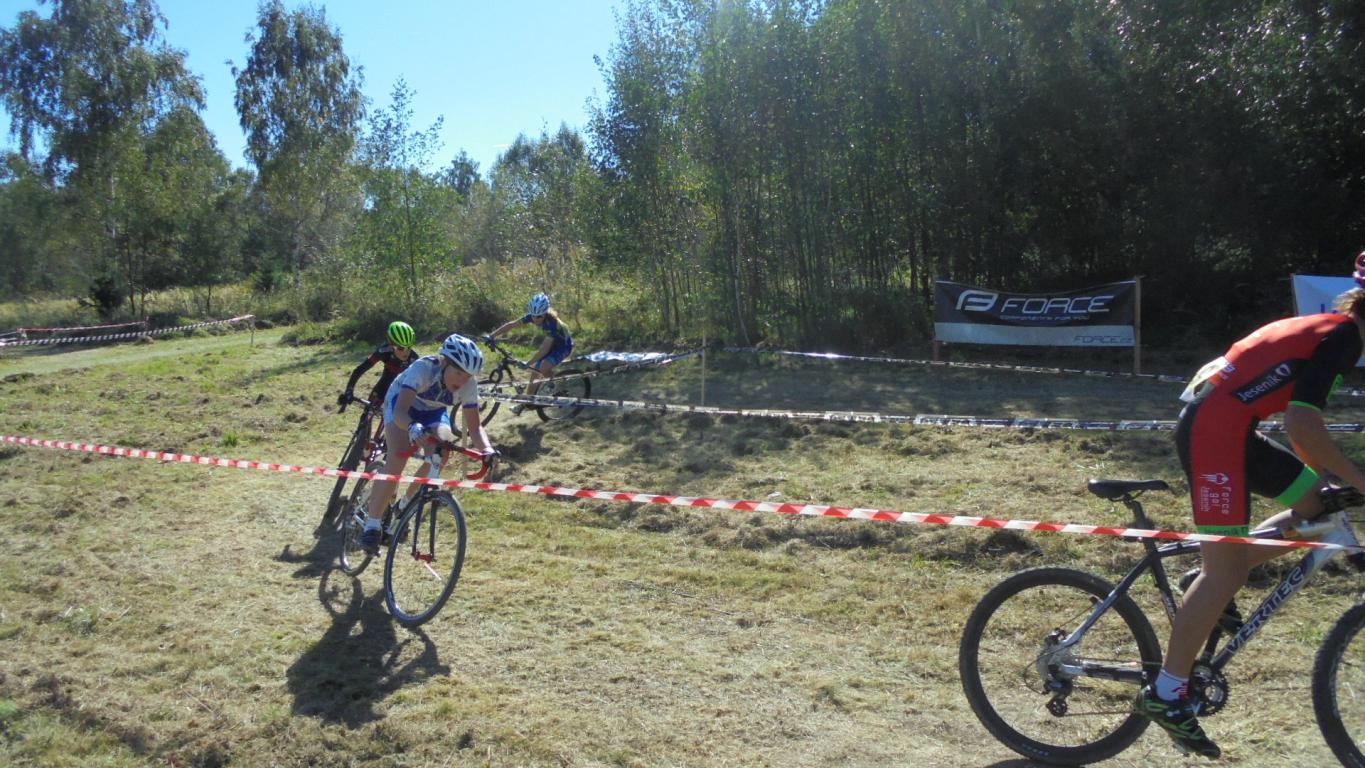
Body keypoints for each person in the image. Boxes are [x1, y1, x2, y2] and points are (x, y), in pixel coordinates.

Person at [1139, 253, 1365, 758]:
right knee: (1225, 573)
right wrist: (1357, 478)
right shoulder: (1343, 339)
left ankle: (1205, 578)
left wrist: (1333, 478)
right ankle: (1166, 694)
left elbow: (1300, 425)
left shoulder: (1336, 329)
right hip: (1214, 435)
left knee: (1320, 508)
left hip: (1231, 428)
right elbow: (1302, 425)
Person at [362, 333, 496, 552]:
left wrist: (487, 449)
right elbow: (400, 412)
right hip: (401, 406)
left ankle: (405, 504)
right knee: (397, 456)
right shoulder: (423, 369)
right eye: (458, 373)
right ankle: (372, 525)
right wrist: (412, 426)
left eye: (467, 376)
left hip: (433, 412)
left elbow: (474, 427)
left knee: (443, 450)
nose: (462, 380)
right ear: (444, 363)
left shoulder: (469, 385)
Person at [485, 292, 574, 415]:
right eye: (533, 316)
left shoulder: (553, 324)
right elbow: (511, 325)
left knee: (542, 366)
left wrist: (528, 363)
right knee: (535, 372)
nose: (535, 319)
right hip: (554, 343)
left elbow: (543, 350)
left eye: (539, 317)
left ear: (545, 313)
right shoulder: (533, 316)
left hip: (564, 346)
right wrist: (492, 335)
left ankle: (554, 386)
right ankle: (526, 403)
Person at [337, 321, 419, 410]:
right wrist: (349, 390)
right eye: (401, 348)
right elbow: (359, 370)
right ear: (391, 345)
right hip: (383, 386)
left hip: (402, 391)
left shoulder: (415, 359)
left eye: (409, 347)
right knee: (367, 412)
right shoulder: (383, 351)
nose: (406, 352)